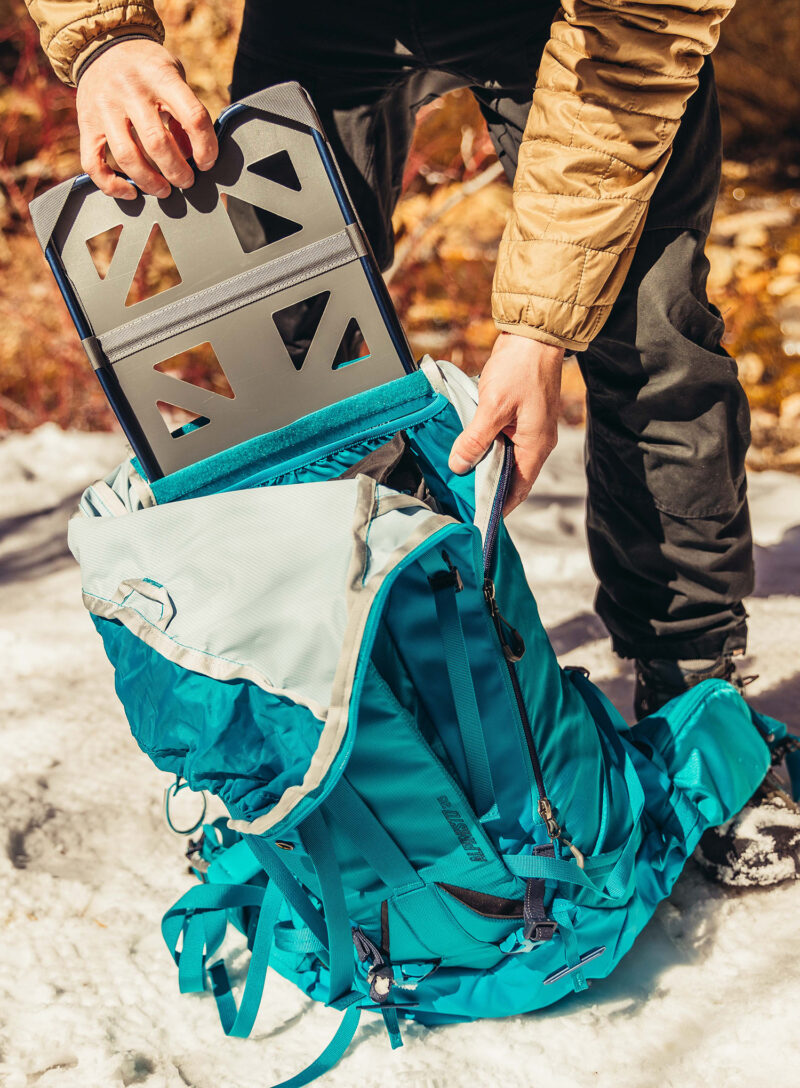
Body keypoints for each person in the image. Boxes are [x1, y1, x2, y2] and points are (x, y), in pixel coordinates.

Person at [24, 0, 800, 884]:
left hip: (585, 34)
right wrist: (103, 39)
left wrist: (540, 332)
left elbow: (634, 49)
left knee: (650, 335)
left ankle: (696, 679)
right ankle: (368, 679)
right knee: (294, 333)